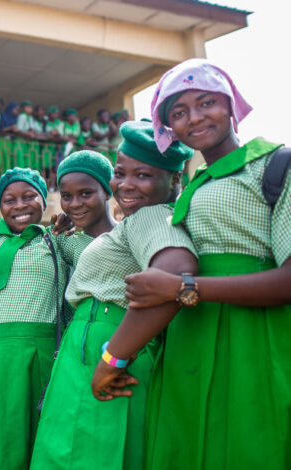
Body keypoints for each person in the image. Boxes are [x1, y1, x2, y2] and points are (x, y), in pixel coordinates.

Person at [114, 59, 291, 470]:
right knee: (187, 444)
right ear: (168, 127)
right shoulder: (196, 185)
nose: (194, 117)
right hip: (190, 335)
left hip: (254, 334)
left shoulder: (275, 164)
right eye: (178, 112)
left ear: (230, 104)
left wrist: (183, 288)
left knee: (251, 441)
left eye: (206, 102)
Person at [30, 121, 197, 470]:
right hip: (88, 343)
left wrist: (113, 359)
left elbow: (175, 270)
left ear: (175, 181)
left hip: (110, 341)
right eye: (121, 173)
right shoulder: (131, 223)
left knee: (94, 453)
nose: (126, 184)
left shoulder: (149, 216)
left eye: (144, 175)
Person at [0, 165, 104, 470]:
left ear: (45, 201)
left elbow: (103, 252)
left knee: (25, 437)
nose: (19, 205)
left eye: (29, 197)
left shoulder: (58, 238)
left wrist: (79, 225)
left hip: (35, 353)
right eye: (9, 199)